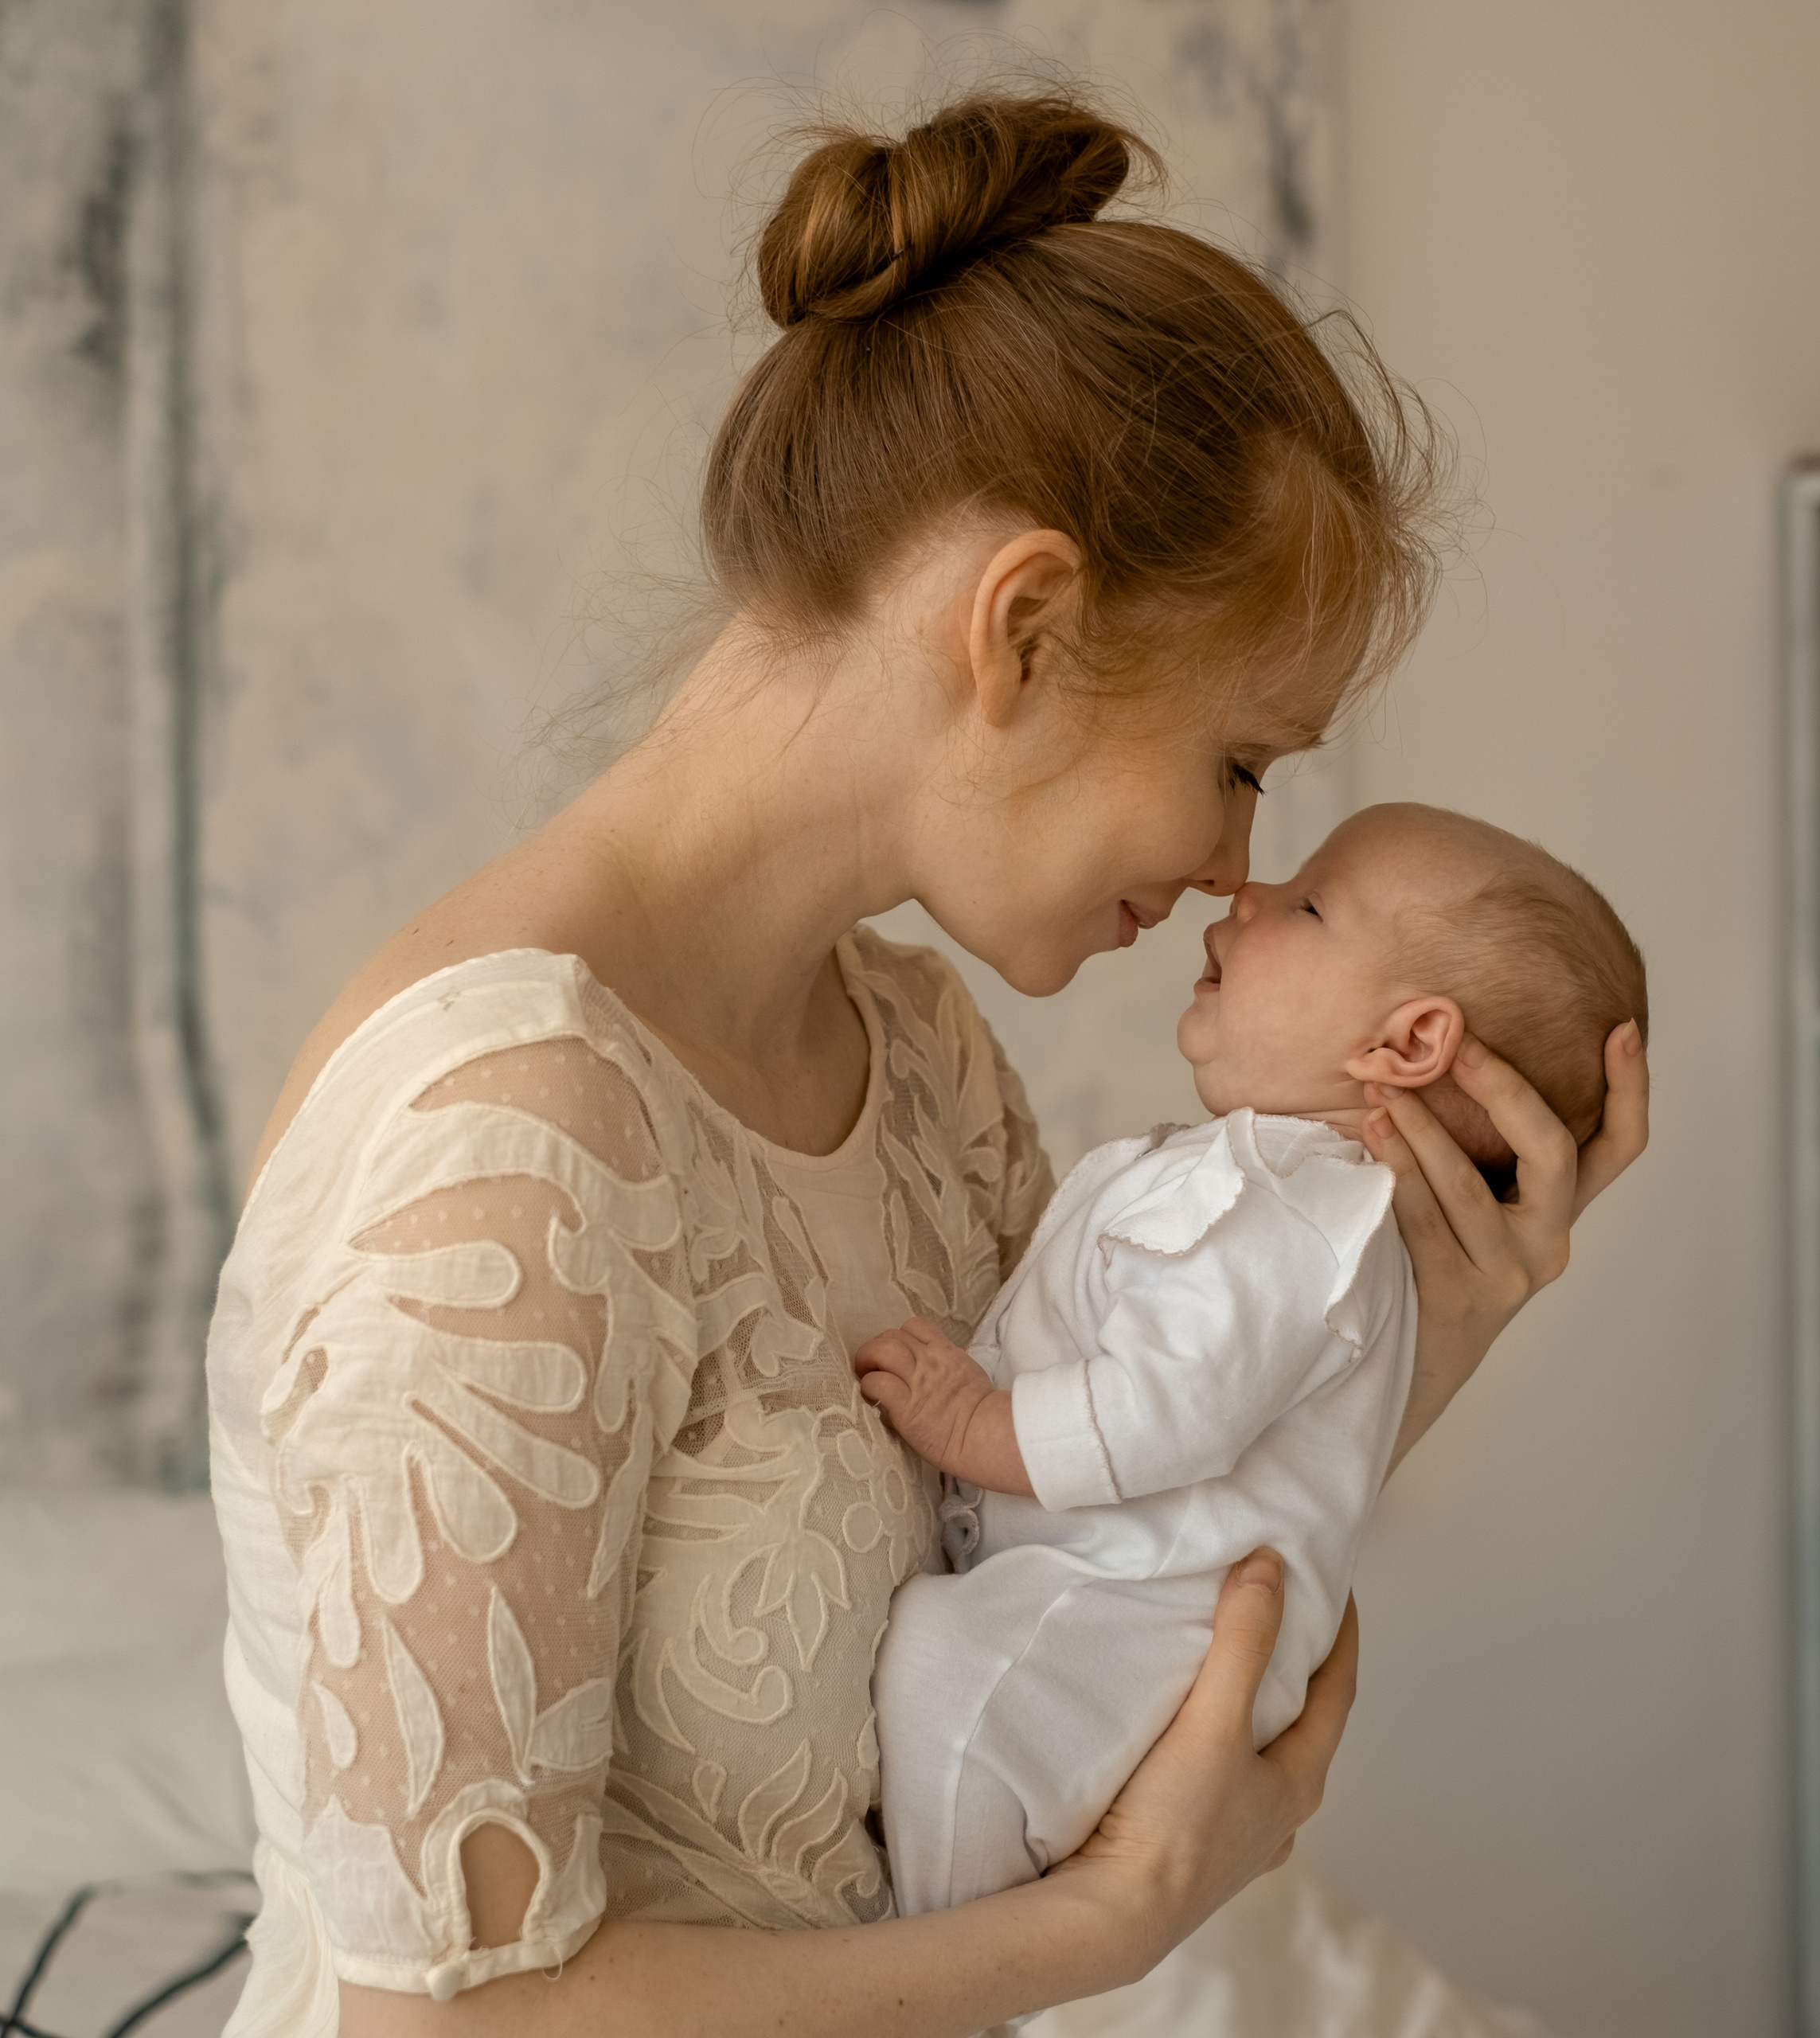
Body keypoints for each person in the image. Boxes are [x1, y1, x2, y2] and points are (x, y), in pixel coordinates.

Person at [204, 88, 1650, 2038]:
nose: (1236, 866)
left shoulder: (917, 1052)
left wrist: (1424, 1312)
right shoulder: (509, 1132)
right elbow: (437, 2020)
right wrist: (1107, 1925)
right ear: (1024, 626)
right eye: (1240, 761)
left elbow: (1086, 1555)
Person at [854, 803, 1648, 1917]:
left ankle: (933, 1958)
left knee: (948, 1679)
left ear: (1408, 1043)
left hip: (1118, 1630)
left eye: (1309, 903)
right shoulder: (1303, 1203)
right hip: (1126, 1615)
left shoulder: (1290, 1207)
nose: (1245, 893)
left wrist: (973, 1425)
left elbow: (1168, 1410)